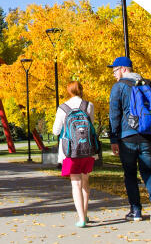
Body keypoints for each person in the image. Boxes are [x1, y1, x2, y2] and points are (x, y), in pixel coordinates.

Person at [107, 56, 151, 224]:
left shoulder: (118, 87)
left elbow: (114, 115)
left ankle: (136, 210)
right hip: (149, 136)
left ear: (124, 69)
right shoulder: (149, 84)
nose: (114, 74)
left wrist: (113, 139)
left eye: (115, 70)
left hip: (128, 138)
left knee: (130, 174)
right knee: (148, 170)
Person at [52, 81, 97, 228]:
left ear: (69, 91)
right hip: (88, 150)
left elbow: (56, 131)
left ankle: (81, 218)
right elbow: (91, 124)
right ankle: (85, 214)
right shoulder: (88, 105)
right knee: (85, 182)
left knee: (75, 183)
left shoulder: (63, 108)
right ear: (81, 90)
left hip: (70, 151)